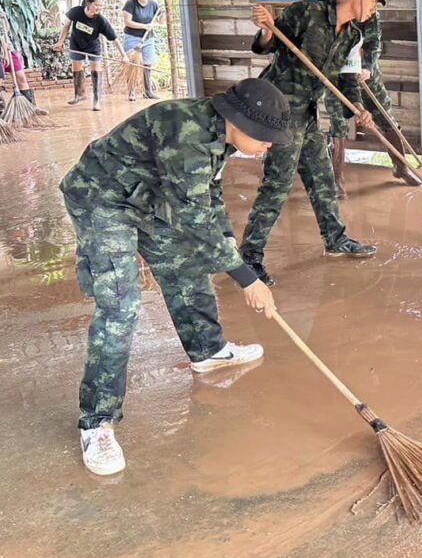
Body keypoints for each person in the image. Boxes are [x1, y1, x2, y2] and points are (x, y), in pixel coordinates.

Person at [60, 78, 287, 475]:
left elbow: (209, 200)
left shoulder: (220, 135)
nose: (269, 145)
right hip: (101, 198)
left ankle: (208, 350)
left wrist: (233, 252)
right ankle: (97, 421)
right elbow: (194, 217)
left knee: (185, 266)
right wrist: (246, 277)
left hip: (147, 197)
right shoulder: (188, 135)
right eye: (265, 137)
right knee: (120, 306)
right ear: (239, 121)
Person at [242, 0, 382, 286]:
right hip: (279, 109)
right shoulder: (308, 12)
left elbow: (346, 79)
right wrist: (266, 27)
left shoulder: (350, 36)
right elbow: (268, 45)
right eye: (374, 2)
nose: (373, 10)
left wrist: (357, 108)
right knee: (277, 184)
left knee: (322, 177)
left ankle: (335, 239)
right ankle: (249, 257)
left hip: (306, 112)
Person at [320, 0, 419, 196]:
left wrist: (367, 67)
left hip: (366, 75)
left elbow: (373, 43)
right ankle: (337, 179)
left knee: (386, 117)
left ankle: (401, 166)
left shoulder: (369, 8)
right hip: (335, 75)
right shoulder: (323, 5)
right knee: (339, 124)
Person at [53, 0, 122, 111]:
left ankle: (97, 100)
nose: (99, 8)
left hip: (93, 47)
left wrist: (124, 55)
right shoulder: (76, 12)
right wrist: (60, 42)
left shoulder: (101, 20)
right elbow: (66, 27)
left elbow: (114, 38)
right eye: (96, 5)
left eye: (101, 6)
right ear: (88, 4)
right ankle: (79, 94)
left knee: (95, 69)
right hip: (76, 44)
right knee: (77, 68)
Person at [121, 0, 163, 102]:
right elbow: (128, 22)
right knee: (133, 64)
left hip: (148, 39)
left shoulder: (153, 5)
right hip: (132, 37)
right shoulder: (130, 4)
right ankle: (131, 91)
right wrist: (144, 26)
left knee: (147, 64)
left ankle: (148, 91)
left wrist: (163, 15)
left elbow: (160, 21)